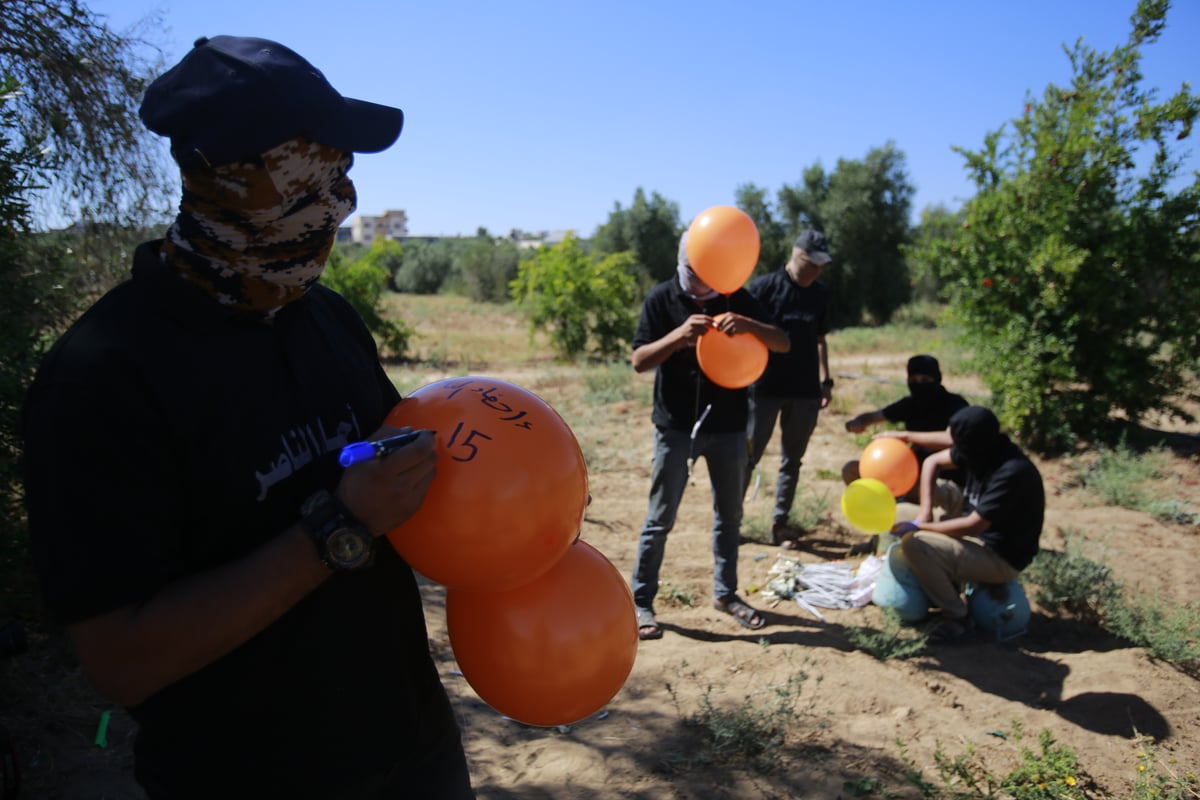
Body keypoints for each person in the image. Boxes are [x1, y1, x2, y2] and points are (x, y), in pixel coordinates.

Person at [22, 36, 474, 799]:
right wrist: (337, 528)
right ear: (227, 179)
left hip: (415, 750)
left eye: (345, 170)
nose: (339, 200)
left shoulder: (325, 316)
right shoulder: (103, 374)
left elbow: (394, 482)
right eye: (311, 170)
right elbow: (121, 659)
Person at [631, 232, 789, 640]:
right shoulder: (661, 299)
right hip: (676, 427)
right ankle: (641, 602)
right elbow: (639, 361)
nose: (706, 289)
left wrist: (750, 325)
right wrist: (678, 336)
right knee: (660, 518)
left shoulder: (735, 293)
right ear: (684, 267)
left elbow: (783, 342)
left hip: (729, 426)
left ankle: (726, 594)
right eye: (697, 278)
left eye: (711, 280)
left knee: (730, 517)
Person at [881, 406, 1045, 644]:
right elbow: (932, 462)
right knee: (901, 515)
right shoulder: (984, 448)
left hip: (999, 557)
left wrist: (920, 528)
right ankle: (942, 581)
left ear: (972, 444)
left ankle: (957, 616)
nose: (952, 446)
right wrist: (925, 512)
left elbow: (973, 525)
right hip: (976, 538)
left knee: (915, 544)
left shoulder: (1011, 472)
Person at [744, 229, 835, 549]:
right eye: (811, 264)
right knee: (747, 456)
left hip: (806, 390)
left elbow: (820, 339)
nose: (815, 271)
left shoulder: (820, 294)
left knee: (791, 460)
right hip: (765, 388)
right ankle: (731, 522)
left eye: (821, 267)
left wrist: (826, 380)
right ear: (796, 255)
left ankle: (780, 523)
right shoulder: (763, 289)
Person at [843, 353, 969, 509]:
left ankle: (903, 505)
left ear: (937, 379)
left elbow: (951, 438)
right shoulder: (910, 404)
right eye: (914, 380)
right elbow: (876, 415)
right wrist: (859, 421)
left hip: (945, 482)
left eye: (925, 380)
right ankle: (889, 504)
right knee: (852, 470)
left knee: (934, 494)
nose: (919, 385)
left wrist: (907, 437)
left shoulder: (955, 404)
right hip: (910, 476)